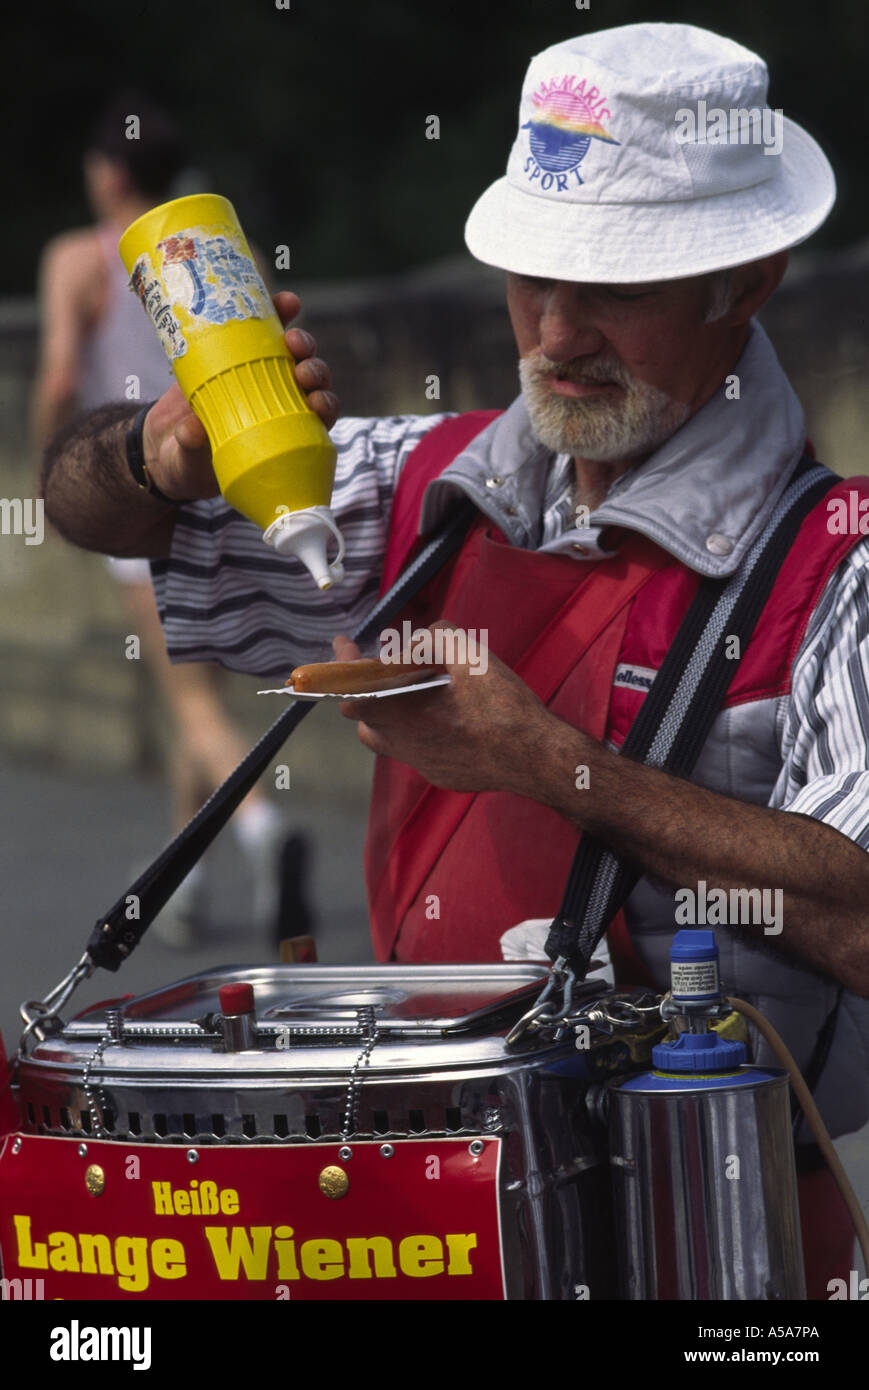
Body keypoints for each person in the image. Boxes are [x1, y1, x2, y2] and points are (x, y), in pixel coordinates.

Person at [39, 25, 869, 1296]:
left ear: (745, 283)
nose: (556, 328)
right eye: (532, 276)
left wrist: (549, 765)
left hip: (705, 1237)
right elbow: (85, 509)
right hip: (406, 1227)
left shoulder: (835, 559)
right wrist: (160, 458)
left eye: (616, 289)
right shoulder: (435, 481)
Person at [31, 92, 313, 947]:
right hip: (238, 477)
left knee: (188, 704)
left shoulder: (81, 258)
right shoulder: (226, 248)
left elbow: (55, 379)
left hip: (141, 491)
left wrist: (53, 481)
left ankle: (265, 829)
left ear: (110, 172)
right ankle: (178, 886)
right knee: (196, 687)